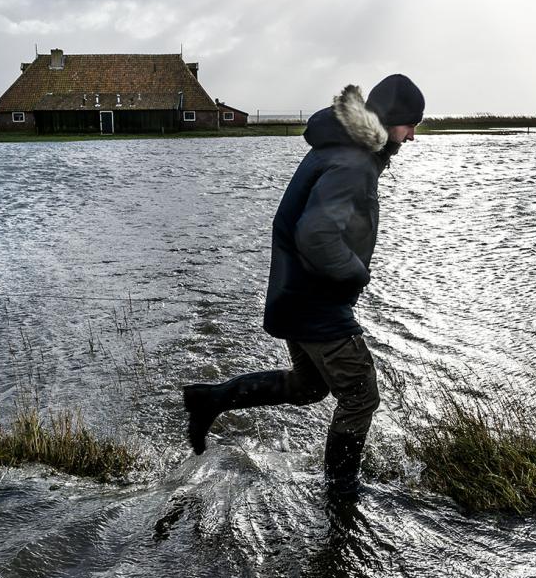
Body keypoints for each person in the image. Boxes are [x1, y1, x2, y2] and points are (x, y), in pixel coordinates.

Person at [182, 74, 425, 493]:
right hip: (317, 303)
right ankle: (341, 491)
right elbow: (314, 234)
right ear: (392, 121)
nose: (413, 136)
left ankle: (210, 399)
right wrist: (356, 273)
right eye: (410, 125)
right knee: (361, 397)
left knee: (310, 386)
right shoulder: (353, 163)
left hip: (297, 295)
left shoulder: (341, 149)